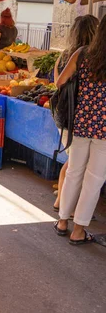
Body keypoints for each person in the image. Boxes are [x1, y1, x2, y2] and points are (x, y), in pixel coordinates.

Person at [53, 19, 106, 245]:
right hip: (104, 128)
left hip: (82, 123)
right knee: (93, 180)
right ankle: (79, 230)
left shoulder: (82, 53)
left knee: (74, 172)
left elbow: (60, 82)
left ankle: (63, 221)